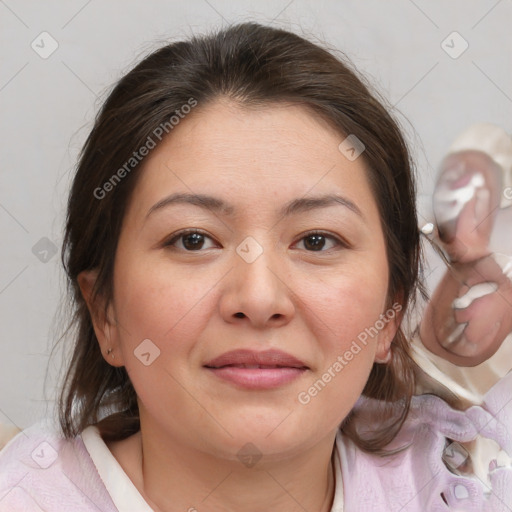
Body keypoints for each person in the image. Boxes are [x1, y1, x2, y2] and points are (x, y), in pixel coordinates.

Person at [0, 22, 510, 511]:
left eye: (317, 239)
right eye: (193, 240)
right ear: (104, 310)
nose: (259, 299)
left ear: (391, 311)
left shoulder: (465, 482)